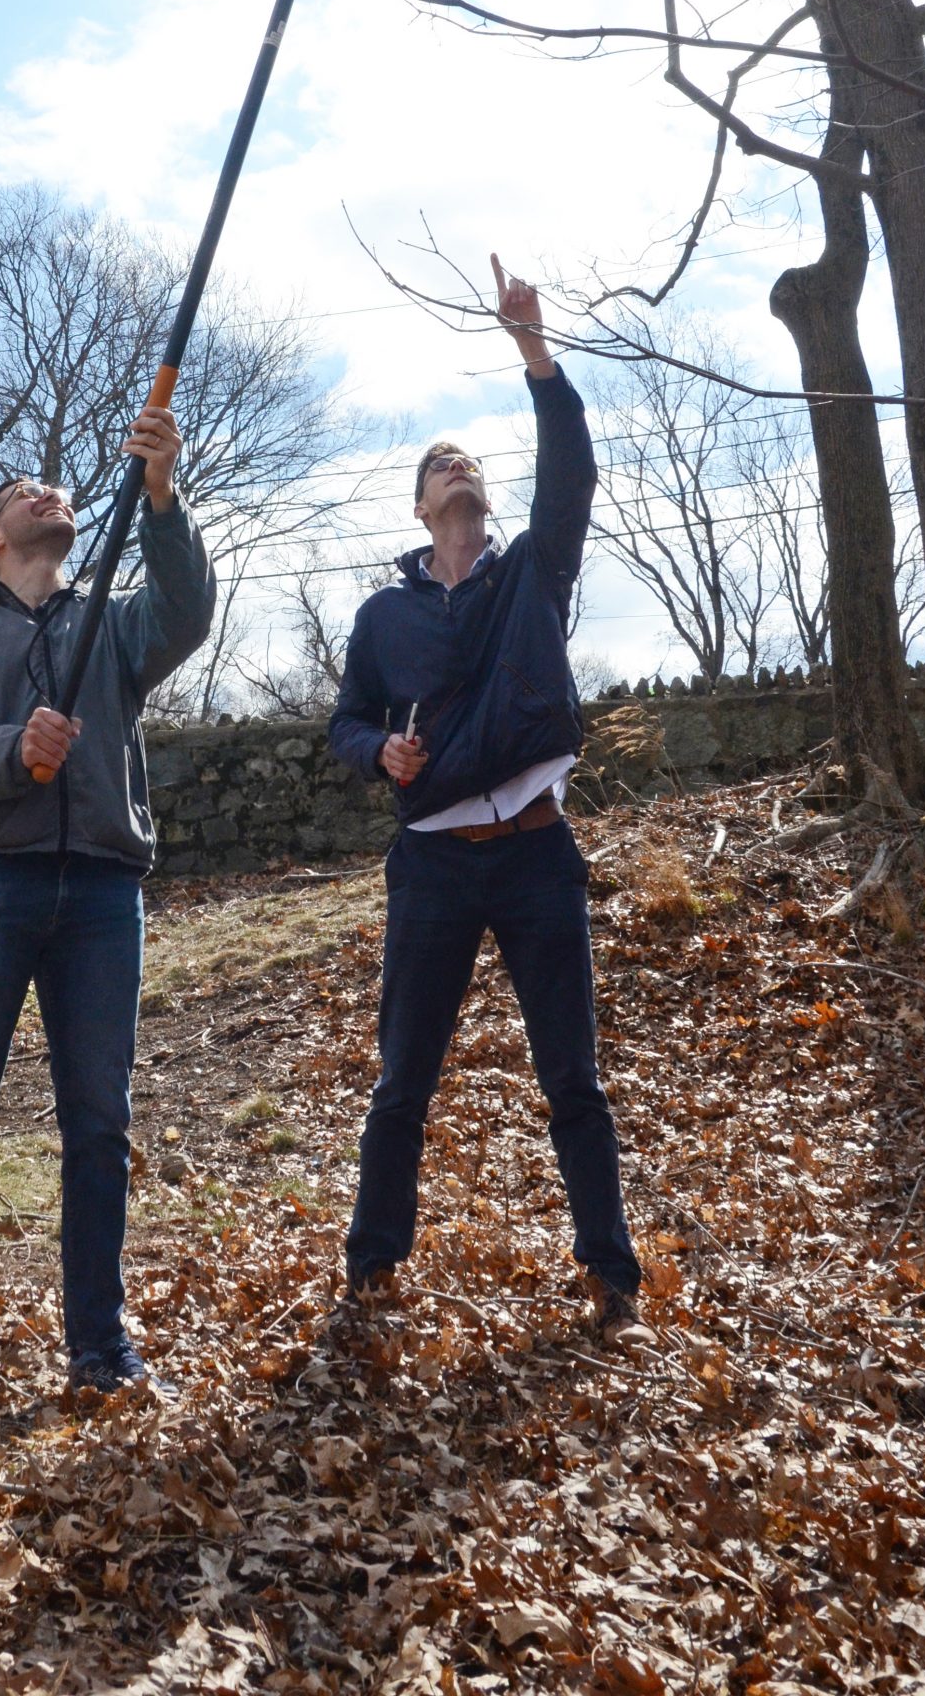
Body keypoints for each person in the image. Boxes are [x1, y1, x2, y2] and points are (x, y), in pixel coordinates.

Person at [0, 398, 216, 1437]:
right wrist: (9, 751)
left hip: (103, 895)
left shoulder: (109, 620)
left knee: (100, 1126)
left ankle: (100, 1345)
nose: (45, 490)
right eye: (21, 490)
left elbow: (188, 612)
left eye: (55, 487)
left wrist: (162, 501)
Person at [328, 257, 648, 1347]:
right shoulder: (382, 617)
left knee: (575, 1079)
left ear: (481, 496)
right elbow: (342, 725)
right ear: (420, 506)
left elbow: (574, 477)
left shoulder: (533, 574)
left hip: (536, 854)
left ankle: (613, 1276)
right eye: (439, 465)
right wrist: (382, 753)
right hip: (433, 864)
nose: (458, 471)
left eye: (468, 461)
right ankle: (372, 1271)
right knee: (402, 1079)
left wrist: (534, 353)